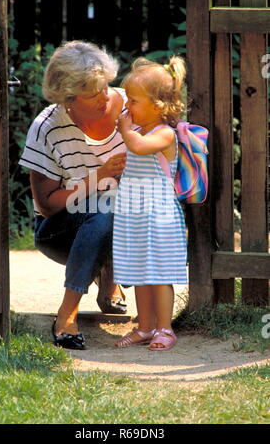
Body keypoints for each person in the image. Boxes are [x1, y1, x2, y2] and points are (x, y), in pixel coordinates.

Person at [19, 40, 128, 350]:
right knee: (102, 209)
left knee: (127, 208)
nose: (105, 96)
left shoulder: (130, 106)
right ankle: (67, 313)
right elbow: (47, 204)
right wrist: (99, 177)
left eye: (106, 86)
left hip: (125, 219)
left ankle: (110, 278)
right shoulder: (47, 127)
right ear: (67, 98)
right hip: (61, 231)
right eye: (93, 93)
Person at [113, 56, 188, 351]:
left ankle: (165, 329)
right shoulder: (141, 131)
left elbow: (138, 147)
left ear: (157, 105)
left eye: (132, 101)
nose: (127, 106)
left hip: (159, 217)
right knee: (139, 274)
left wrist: (125, 131)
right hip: (134, 216)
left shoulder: (163, 134)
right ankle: (144, 327)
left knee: (159, 274)